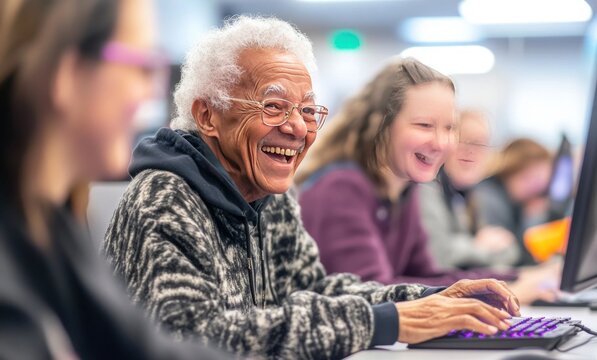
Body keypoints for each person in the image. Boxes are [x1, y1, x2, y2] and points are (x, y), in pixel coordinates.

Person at [103, 16, 521, 360]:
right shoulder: (165, 199)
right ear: (209, 116)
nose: (298, 127)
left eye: (307, 110)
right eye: (274, 106)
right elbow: (193, 336)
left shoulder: (270, 198)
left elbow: (317, 288)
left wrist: (432, 298)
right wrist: (386, 321)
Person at [0, 0, 231, 359]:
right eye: (142, 67)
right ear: (69, 73)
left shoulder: (52, 226)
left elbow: (142, 347)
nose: (153, 92)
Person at [296, 58, 558, 304]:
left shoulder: (405, 190)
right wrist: (499, 293)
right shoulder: (341, 189)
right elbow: (372, 297)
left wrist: (511, 280)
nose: (442, 143)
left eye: (449, 128)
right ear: (381, 126)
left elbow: (429, 277)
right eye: (424, 125)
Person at [419, 109, 520, 270]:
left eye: (480, 143)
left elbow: (510, 251)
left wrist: (476, 248)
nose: (471, 151)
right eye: (463, 140)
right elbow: (439, 255)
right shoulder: (426, 188)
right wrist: (480, 246)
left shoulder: (471, 195)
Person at [472, 138, 553, 266]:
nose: (535, 190)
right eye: (529, 178)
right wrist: (532, 218)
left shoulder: (515, 201)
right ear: (512, 170)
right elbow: (507, 256)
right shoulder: (489, 197)